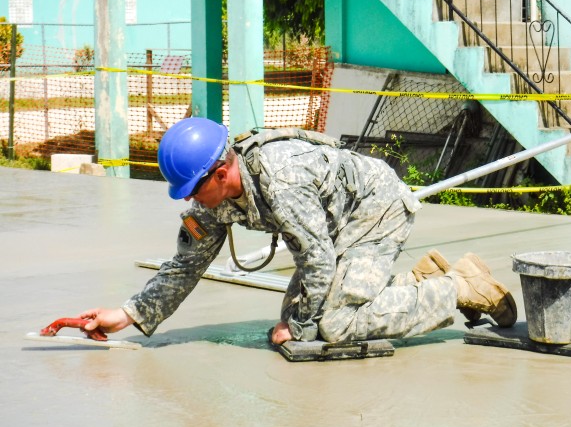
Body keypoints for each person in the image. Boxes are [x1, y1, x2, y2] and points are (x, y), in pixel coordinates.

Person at [81, 117, 517, 345]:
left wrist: (304, 325)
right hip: (333, 229)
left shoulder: (280, 177)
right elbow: (185, 265)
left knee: (331, 326)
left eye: (192, 190)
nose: (190, 201)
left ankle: (457, 287)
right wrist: (129, 314)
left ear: (219, 173)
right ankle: (416, 281)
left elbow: (318, 259)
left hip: (375, 213)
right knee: (295, 320)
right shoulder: (213, 200)